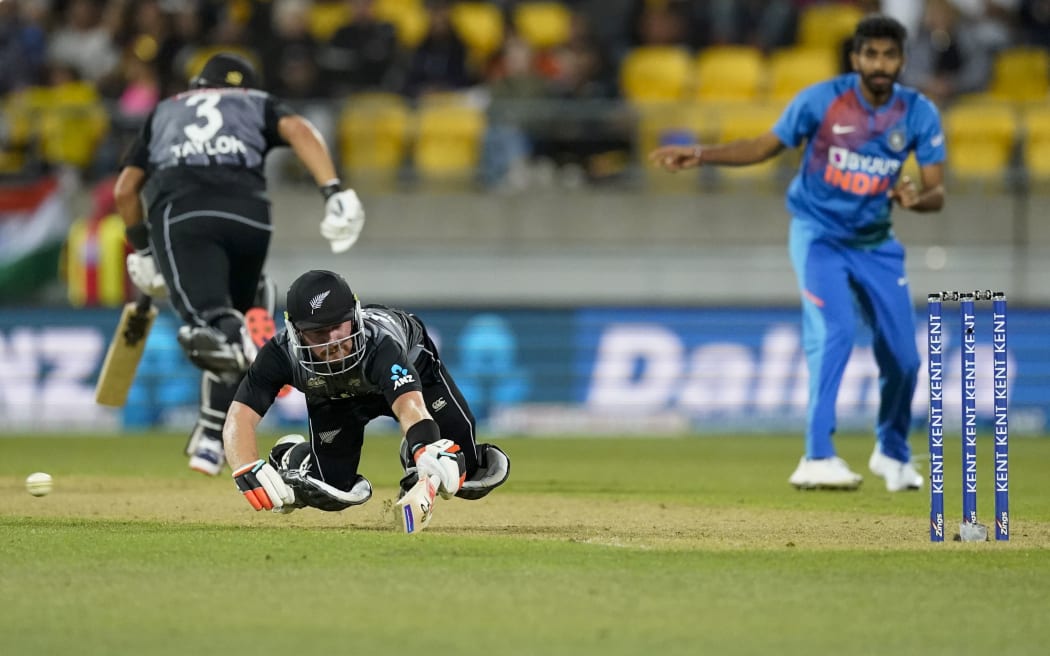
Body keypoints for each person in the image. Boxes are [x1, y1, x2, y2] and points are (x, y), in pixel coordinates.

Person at [649, 15, 945, 492]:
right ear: (856, 59)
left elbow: (936, 193)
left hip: (876, 245)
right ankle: (817, 456)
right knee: (835, 333)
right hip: (819, 236)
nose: (880, 63)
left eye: (890, 55)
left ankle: (891, 452)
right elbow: (762, 147)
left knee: (906, 360)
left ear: (902, 60)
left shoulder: (917, 112)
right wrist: (701, 154)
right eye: (871, 54)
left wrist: (915, 199)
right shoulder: (822, 101)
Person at [114, 52, 365, 476]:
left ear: (197, 85)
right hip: (251, 216)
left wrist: (141, 250)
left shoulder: (165, 111)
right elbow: (301, 130)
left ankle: (257, 351)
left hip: (185, 214)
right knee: (238, 306)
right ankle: (212, 434)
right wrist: (334, 191)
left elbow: (125, 190)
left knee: (208, 324)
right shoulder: (256, 101)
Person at [221, 269, 510, 525]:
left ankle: (412, 453)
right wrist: (246, 466)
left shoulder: (382, 345)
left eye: (339, 325)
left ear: (354, 315)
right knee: (330, 489)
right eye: (319, 332)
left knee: (468, 472)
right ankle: (290, 458)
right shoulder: (279, 354)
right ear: (296, 331)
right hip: (335, 396)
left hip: (415, 376)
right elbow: (240, 416)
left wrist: (424, 447)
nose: (334, 341)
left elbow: (410, 404)